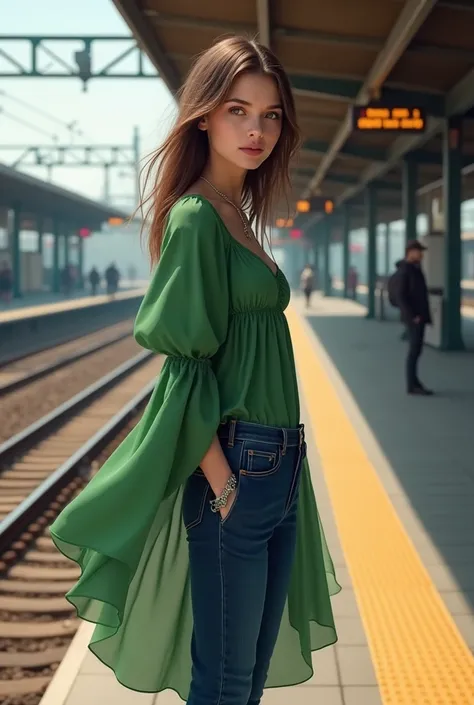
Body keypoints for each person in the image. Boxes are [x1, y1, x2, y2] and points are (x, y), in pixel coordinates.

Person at [49, 36, 339, 704]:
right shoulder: (196, 219)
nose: (256, 129)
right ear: (203, 115)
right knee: (224, 684)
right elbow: (184, 367)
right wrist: (227, 485)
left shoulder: (241, 215)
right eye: (238, 110)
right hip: (239, 467)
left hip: (280, 465)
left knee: (248, 680)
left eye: (270, 115)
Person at [396, 240, 433, 396]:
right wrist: (412, 317)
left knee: (416, 351)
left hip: (418, 317)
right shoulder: (406, 271)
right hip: (414, 319)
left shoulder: (414, 269)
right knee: (413, 352)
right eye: (419, 251)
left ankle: (415, 382)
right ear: (410, 252)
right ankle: (412, 385)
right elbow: (400, 296)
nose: (421, 254)